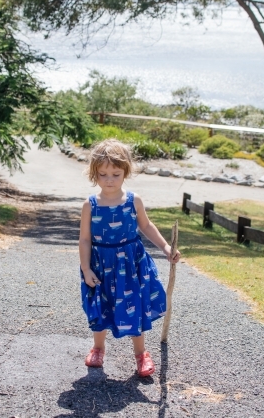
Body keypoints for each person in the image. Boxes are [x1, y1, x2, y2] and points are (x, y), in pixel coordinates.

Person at [79, 139, 181, 377]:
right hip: (101, 265)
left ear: (126, 171)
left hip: (130, 264)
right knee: (102, 306)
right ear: (94, 174)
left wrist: (166, 247)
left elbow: (146, 226)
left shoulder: (133, 201)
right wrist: (86, 269)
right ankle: (98, 348)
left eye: (115, 173)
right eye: (103, 174)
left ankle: (141, 353)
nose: (109, 180)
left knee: (133, 306)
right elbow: (84, 239)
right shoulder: (90, 205)